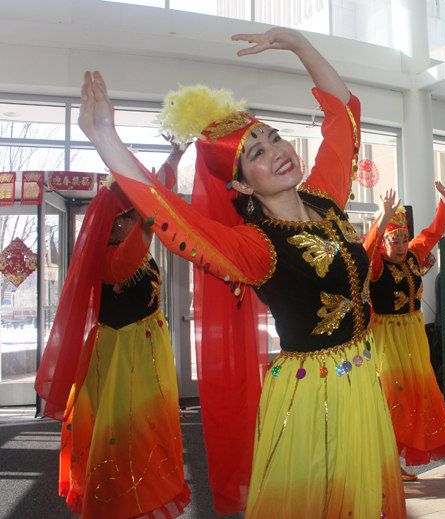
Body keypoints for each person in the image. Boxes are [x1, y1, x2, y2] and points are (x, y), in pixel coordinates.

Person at [77, 27, 406, 519]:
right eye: (256, 152)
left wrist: (299, 46)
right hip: (313, 392)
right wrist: (105, 137)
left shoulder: (325, 197)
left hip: (363, 376)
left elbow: (343, 115)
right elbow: (170, 217)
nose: (276, 150)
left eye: (274, 138)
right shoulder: (255, 248)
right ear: (240, 183)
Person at [35, 151, 191, 518]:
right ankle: (119, 497)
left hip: (146, 350)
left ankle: (150, 486)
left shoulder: (129, 244)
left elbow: (155, 192)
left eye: (135, 216)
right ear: (115, 224)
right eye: (129, 216)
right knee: (122, 427)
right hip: (123, 356)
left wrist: (177, 154)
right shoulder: (107, 258)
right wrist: (148, 221)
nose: (135, 219)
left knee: (148, 425)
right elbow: (127, 260)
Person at [364, 184, 445, 479]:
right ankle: (385, 463)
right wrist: (383, 217)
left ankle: (397, 458)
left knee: (414, 396)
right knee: (392, 398)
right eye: (394, 240)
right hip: (387, 338)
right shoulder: (377, 266)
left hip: (413, 333)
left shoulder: (412, 255)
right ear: (384, 241)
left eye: (404, 239)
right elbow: (366, 249)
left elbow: (432, 233)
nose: (400, 245)